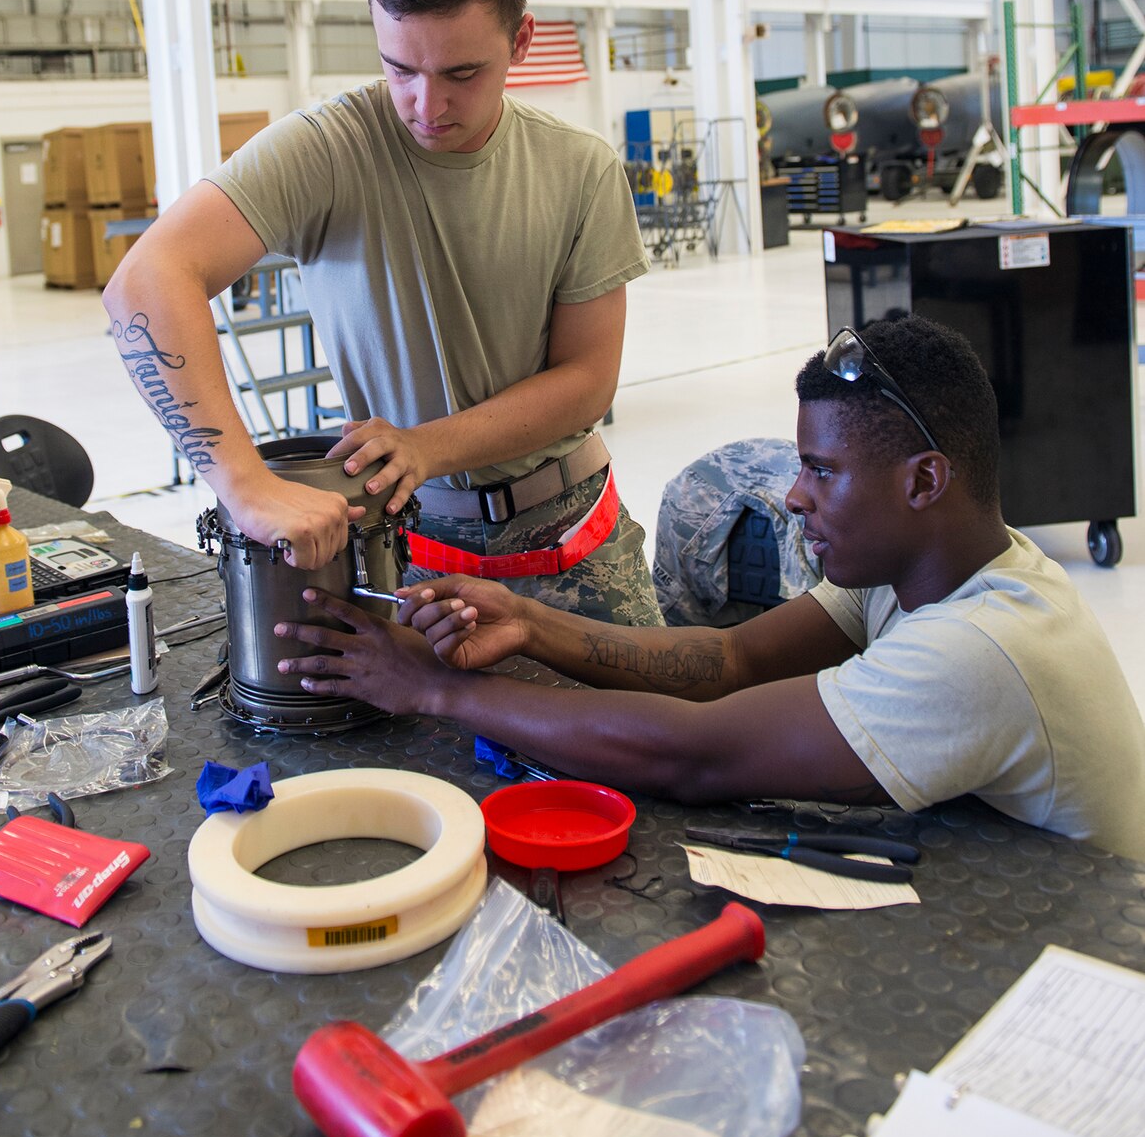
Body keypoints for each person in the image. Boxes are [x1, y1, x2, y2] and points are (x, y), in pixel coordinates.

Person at [275, 314, 1145, 859]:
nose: (795, 494)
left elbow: (692, 753)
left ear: (923, 481)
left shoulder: (979, 652)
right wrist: (530, 622)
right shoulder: (928, 569)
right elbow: (727, 660)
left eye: (822, 471)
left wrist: (433, 689)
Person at [104, 0, 660, 624]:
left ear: (520, 43)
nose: (426, 106)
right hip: (406, 547)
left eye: (461, 73)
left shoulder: (578, 168)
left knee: (651, 732)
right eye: (400, 69)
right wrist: (241, 484)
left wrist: (425, 445)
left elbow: (587, 381)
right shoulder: (330, 149)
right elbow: (146, 280)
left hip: (570, 542)